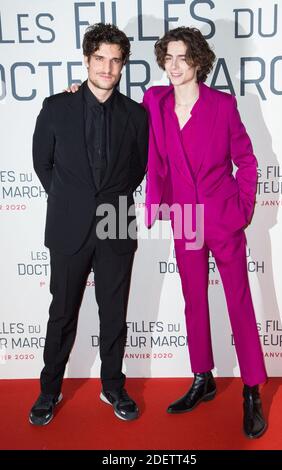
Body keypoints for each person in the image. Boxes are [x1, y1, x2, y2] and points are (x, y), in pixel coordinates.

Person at [142, 27, 267, 439]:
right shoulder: (154, 102)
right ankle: (203, 377)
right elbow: (115, 111)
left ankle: (252, 389)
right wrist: (77, 93)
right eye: (169, 58)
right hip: (185, 220)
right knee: (194, 300)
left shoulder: (223, 106)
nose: (174, 66)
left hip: (222, 217)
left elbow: (246, 161)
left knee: (239, 301)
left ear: (198, 62)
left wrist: (243, 209)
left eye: (182, 58)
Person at [29, 23, 148, 425]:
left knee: (114, 312)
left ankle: (113, 386)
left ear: (122, 65)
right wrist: (71, 200)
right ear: (87, 59)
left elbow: (138, 169)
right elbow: (42, 164)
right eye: (100, 58)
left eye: (115, 61)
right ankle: (49, 390)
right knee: (62, 311)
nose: (107, 67)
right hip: (68, 225)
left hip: (115, 221)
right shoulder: (56, 107)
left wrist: (107, 201)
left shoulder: (136, 115)